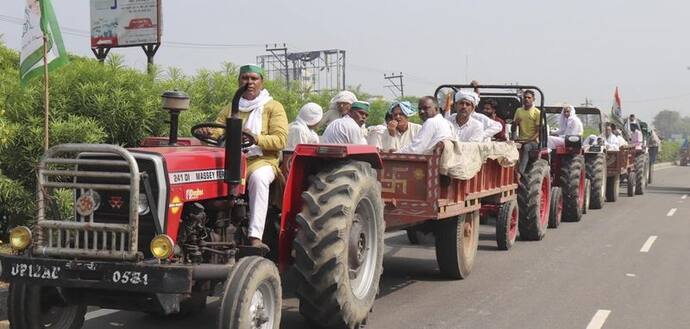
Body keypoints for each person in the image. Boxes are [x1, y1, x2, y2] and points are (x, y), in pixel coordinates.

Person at [208, 64, 287, 251]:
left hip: (261, 160)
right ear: (239, 81)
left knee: (258, 179)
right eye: (245, 78)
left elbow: (281, 140)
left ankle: (255, 236)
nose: (249, 82)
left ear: (261, 82)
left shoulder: (273, 107)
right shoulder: (231, 107)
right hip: (231, 159)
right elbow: (218, 130)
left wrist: (256, 138)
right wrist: (210, 132)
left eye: (254, 78)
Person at [512, 90, 541, 174]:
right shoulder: (518, 111)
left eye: (529, 97)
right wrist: (515, 123)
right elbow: (513, 129)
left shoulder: (537, 112)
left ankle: (520, 172)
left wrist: (528, 140)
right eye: (525, 97)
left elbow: (538, 132)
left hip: (533, 142)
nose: (526, 99)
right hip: (520, 140)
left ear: (533, 99)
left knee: (526, 147)